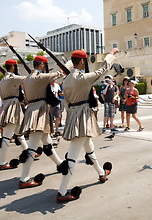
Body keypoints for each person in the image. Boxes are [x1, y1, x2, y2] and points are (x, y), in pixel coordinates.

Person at [56, 48, 118, 203]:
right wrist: (111, 54)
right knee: (72, 155)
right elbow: (103, 69)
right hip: (82, 116)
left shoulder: (66, 80)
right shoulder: (82, 78)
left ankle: (101, 173)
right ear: (82, 61)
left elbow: (66, 101)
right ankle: (62, 191)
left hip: (73, 113)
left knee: (89, 147)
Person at [18, 55, 64, 188]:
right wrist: (69, 66)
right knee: (32, 146)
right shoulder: (39, 77)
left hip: (32, 110)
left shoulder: (27, 78)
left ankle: (59, 164)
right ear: (42, 65)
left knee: (47, 143)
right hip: (39, 112)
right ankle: (24, 178)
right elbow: (60, 73)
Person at [0, 59, 29, 169]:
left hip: (9, 104)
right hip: (13, 106)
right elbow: (28, 79)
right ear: (13, 67)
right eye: (16, 67)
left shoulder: (3, 78)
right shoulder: (12, 78)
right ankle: (1, 162)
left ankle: (28, 153)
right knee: (7, 136)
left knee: (20, 133)